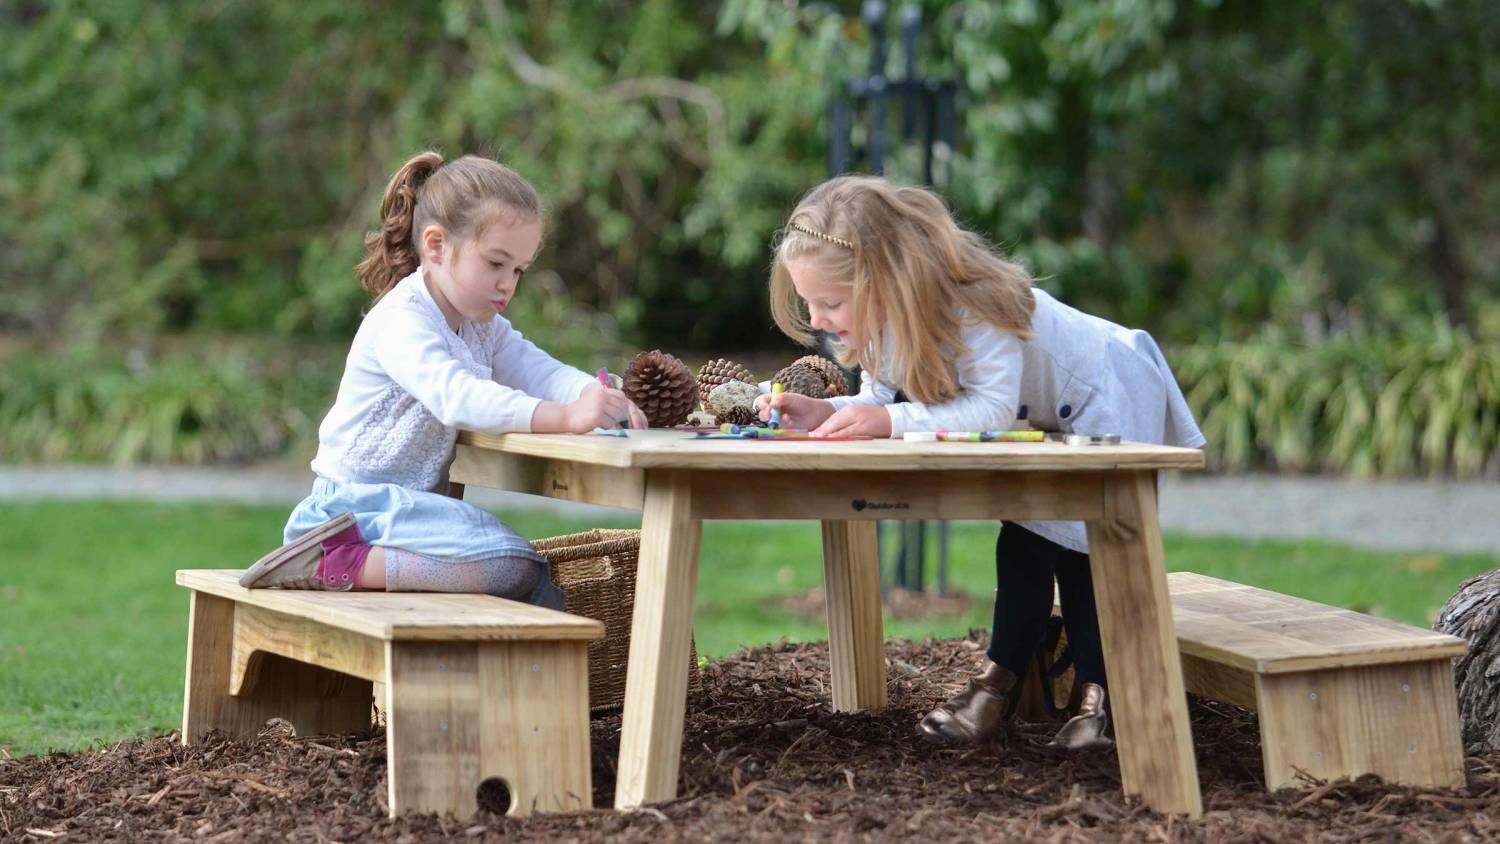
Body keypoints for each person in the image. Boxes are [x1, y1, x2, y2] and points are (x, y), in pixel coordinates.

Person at [756, 175, 1204, 751]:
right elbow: (882, 400)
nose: (817, 319)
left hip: (1104, 393)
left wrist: (888, 423)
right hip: (1047, 414)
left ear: (886, 279)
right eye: (809, 303)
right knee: (1028, 541)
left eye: (831, 303)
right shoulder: (888, 325)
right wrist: (823, 410)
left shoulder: (973, 305)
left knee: (1082, 544)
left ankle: (1099, 697)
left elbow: (988, 408)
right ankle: (1007, 686)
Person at [238, 151, 647, 605]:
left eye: (518, 271)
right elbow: (457, 396)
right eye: (495, 263)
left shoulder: (480, 325)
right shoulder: (403, 319)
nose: (508, 284)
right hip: (353, 509)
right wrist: (566, 417)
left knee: (524, 571)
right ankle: (329, 560)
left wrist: (594, 394)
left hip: (404, 512)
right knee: (514, 566)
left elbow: (538, 369)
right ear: (436, 246)